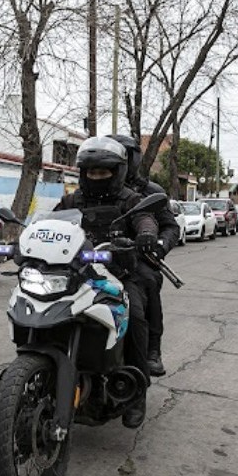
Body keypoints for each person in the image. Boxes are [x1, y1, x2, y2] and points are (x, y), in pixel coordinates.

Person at [54, 136, 160, 428]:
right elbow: (50, 224)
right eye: (91, 172)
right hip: (78, 272)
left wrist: (146, 233)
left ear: (117, 172)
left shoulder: (129, 199)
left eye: (103, 172)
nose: (96, 177)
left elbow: (145, 219)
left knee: (135, 315)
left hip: (120, 273)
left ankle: (137, 394)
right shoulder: (72, 200)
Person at [111, 135, 180, 377]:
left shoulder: (150, 191)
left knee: (148, 281)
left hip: (138, 259)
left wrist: (157, 247)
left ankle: (152, 350)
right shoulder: (93, 188)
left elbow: (171, 227)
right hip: (98, 257)